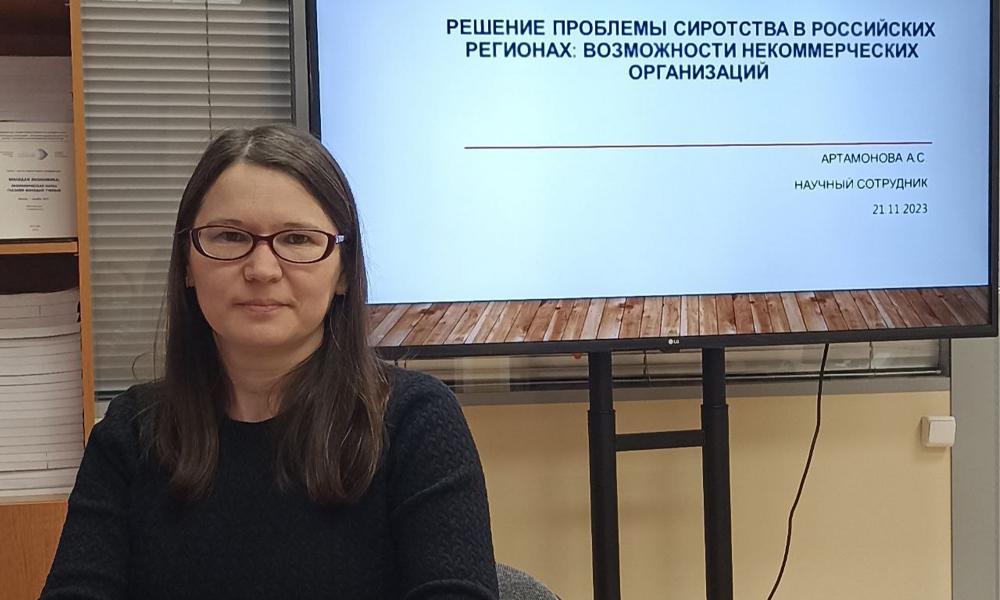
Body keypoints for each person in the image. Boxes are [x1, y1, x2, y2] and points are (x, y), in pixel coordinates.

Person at [41, 124, 500, 599]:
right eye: (229, 236)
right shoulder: (131, 433)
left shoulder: (414, 423)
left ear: (343, 272)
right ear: (187, 265)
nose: (262, 269)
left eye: (297, 239)